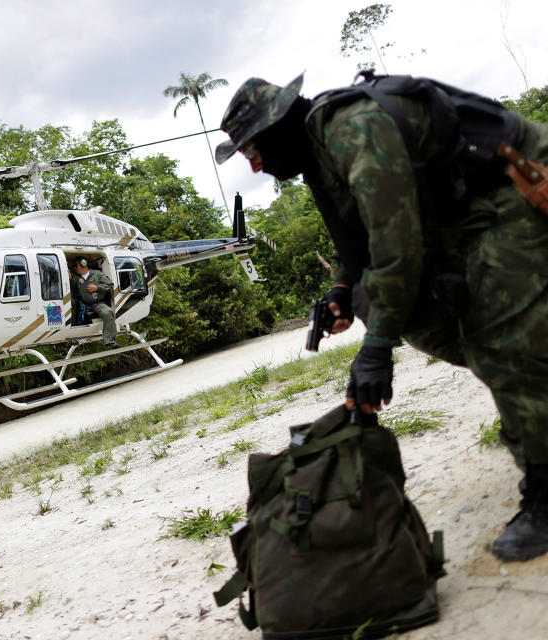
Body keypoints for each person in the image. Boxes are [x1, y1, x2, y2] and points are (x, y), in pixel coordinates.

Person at [216, 72, 548, 562]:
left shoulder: (351, 130)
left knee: (499, 339)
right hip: (461, 217)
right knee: (432, 320)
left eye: (252, 148)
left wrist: (376, 352)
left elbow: (397, 246)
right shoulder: (317, 155)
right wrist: (343, 289)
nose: (254, 163)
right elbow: (363, 238)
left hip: (510, 190)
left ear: (277, 126)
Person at [70, 256, 118, 348]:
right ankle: (73, 336)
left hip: (97, 304)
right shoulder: (76, 278)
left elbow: (110, 286)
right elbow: (70, 282)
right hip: (82, 305)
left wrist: (98, 288)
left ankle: (110, 341)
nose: (74, 268)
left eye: (75, 265)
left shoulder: (97, 274)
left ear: (83, 264)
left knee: (108, 312)